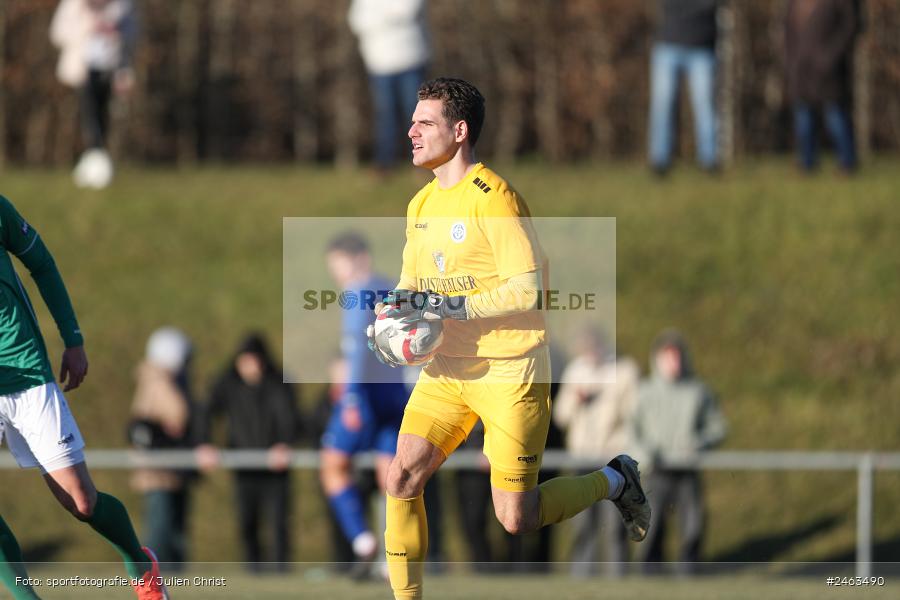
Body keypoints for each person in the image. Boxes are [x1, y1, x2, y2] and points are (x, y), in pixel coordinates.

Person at [369, 77, 650, 600]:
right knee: (402, 477)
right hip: (448, 370)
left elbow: (528, 289)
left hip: (510, 371)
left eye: (423, 122)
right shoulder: (421, 204)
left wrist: (450, 307)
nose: (410, 131)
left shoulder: (495, 198)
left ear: (459, 130)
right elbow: (412, 285)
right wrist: (391, 314)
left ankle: (616, 480)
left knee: (515, 517)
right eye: (411, 120)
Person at [0, 194, 167, 599]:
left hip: (25, 372)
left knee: (82, 502)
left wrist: (72, 337)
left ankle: (141, 566)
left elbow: (41, 264)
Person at [320, 232, 412, 578]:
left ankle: (361, 540)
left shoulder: (358, 291)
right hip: (396, 396)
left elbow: (358, 348)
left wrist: (352, 398)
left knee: (332, 465)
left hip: (366, 397)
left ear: (356, 258)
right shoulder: (392, 287)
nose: (335, 273)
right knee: (392, 479)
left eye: (336, 265)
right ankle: (395, 557)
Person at [196, 333, 299, 572]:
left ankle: (281, 573)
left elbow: (292, 418)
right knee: (247, 522)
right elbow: (206, 411)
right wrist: (205, 443)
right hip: (244, 467)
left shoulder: (279, 383)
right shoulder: (227, 383)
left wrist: (285, 443)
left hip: (275, 468)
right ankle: (253, 570)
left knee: (278, 522)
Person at [629, 329, 727, 574]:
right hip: (657, 471)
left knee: (693, 526)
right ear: (657, 360)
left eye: (677, 357)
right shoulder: (644, 392)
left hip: (687, 471)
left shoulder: (697, 391)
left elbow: (718, 427)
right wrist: (646, 453)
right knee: (652, 527)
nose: (674, 363)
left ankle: (689, 575)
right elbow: (631, 430)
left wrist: (699, 443)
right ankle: (649, 577)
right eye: (668, 357)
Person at [553, 328, 639, 577]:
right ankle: (581, 577)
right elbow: (561, 416)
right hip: (582, 458)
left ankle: (616, 579)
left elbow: (633, 416)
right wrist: (575, 399)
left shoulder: (624, 371)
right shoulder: (576, 371)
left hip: (612, 459)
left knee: (614, 525)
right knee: (582, 523)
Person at [50, 0, 138, 189]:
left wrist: (116, 33)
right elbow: (58, 33)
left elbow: (133, 34)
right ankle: (93, 159)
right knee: (88, 116)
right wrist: (88, 28)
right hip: (84, 70)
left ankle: (98, 160)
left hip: (112, 71)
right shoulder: (73, 5)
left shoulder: (123, 6)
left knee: (105, 116)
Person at [129, 326, 196, 568]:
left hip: (168, 467)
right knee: (161, 527)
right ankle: (157, 574)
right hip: (158, 469)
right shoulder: (159, 382)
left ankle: (172, 572)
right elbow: (178, 416)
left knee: (172, 525)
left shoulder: (156, 380)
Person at [348, 0, 430, 174]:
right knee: (386, 115)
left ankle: (425, 161)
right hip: (380, 64)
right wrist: (389, 17)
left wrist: (377, 18)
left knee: (418, 113)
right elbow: (357, 21)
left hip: (411, 60)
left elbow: (408, 11)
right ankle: (385, 163)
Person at [785, 0, 860, 173]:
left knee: (835, 116)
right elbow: (787, 29)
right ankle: (807, 162)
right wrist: (791, 60)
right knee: (804, 119)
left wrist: (830, 56)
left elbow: (850, 25)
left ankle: (847, 162)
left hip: (829, 68)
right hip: (801, 67)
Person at [647, 0, 720, 175]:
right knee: (662, 106)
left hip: (701, 46)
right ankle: (660, 161)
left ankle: (709, 161)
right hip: (668, 43)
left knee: (705, 106)